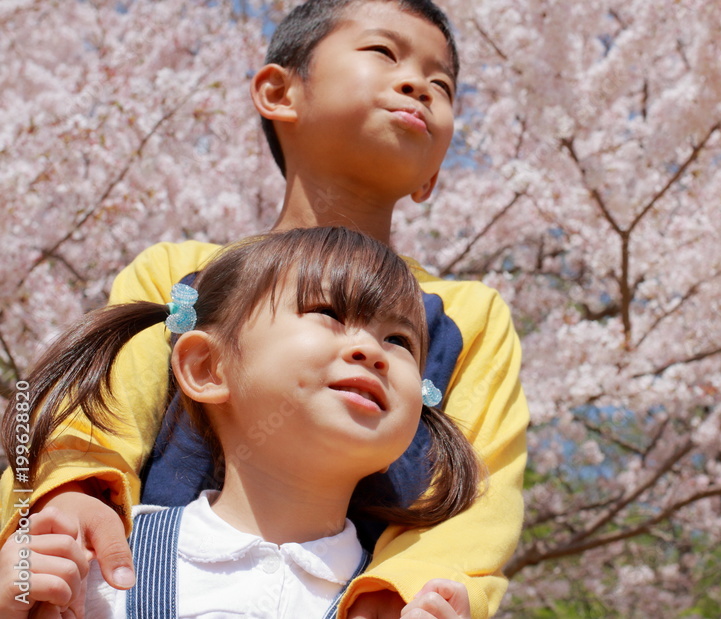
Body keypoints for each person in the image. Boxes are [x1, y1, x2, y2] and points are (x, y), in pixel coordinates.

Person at [0, 0, 529, 619]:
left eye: (441, 86)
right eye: (385, 53)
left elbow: (476, 498)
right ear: (279, 92)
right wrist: (70, 493)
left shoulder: (466, 316)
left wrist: (405, 594)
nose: (418, 84)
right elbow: (88, 406)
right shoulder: (181, 273)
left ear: (433, 174)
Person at [0, 226, 484, 619]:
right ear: (208, 369)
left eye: (399, 340)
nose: (372, 351)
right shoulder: (100, 566)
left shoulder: (392, 604)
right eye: (327, 312)